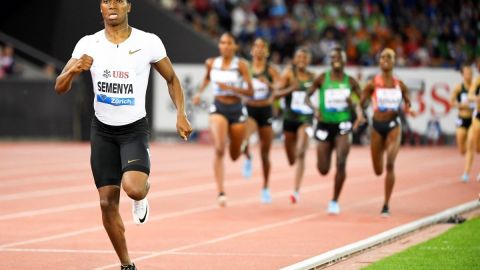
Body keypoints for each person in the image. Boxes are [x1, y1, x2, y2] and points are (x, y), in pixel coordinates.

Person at [54, 1, 192, 269]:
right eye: (106, 1)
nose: (112, 5)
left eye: (118, 0)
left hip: (133, 130)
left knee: (134, 189)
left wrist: (181, 114)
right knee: (106, 203)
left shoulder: (148, 42)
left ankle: (142, 196)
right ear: (100, 8)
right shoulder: (87, 44)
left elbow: (172, 78)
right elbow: (60, 86)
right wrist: (73, 69)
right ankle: (127, 264)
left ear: (129, 6)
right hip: (102, 131)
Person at [193, 32, 253, 207]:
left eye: (229, 43)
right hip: (219, 107)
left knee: (234, 156)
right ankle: (221, 191)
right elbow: (206, 79)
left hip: (236, 108)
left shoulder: (241, 65)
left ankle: (243, 146)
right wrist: (198, 93)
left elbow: (251, 92)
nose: (225, 46)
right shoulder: (212, 63)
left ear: (235, 46)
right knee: (219, 148)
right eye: (222, 42)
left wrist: (232, 89)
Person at [305, 47, 363, 214]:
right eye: (333, 57)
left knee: (341, 162)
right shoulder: (322, 78)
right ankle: (328, 150)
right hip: (324, 125)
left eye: (339, 57)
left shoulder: (350, 81)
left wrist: (353, 105)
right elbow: (307, 96)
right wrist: (314, 108)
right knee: (323, 169)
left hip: (343, 125)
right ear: (330, 61)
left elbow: (362, 101)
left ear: (345, 61)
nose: (336, 59)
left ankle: (334, 200)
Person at [358, 48, 414, 217]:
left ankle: (386, 204)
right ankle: (380, 157)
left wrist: (409, 109)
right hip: (376, 126)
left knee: (390, 163)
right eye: (382, 57)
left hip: (393, 126)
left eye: (388, 57)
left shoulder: (400, 84)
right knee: (378, 170)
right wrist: (360, 114)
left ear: (394, 61)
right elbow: (361, 102)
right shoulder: (372, 83)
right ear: (379, 61)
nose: (385, 59)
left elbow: (408, 102)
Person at [241, 38, 280, 204]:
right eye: (256, 46)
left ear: (267, 52)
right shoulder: (246, 68)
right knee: (243, 141)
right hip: (250, 109)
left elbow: (278, 90)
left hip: (265, 110)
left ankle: (265, 188)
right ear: (252, 51)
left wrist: (269, 85)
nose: (259, 49)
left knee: (265, 154)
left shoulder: (271, 70)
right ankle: (248, 156)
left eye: (262, 47)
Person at [275, 47, 315, 204]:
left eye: (305, 58)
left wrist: (318, 110)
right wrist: (291, 88)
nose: (302, 60)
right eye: (299, 57)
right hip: (289, 118)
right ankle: (295, 158)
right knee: (292, 158)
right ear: (295, 59)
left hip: (306, 118)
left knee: (300, 152)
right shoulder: (288, 74)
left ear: (309, 60)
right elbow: (276, 94)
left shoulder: (313, 77)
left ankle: (296, 191)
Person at [450, 64, 475, 182]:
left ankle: (466, 173)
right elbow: (451, 102)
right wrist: (460, 105)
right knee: (462, 149)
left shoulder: (475, 87)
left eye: (470, 73)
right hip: (461, 119)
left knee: (470, 144)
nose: (468, 75)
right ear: (462, 74)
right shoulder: (459, 88)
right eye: (466, 73)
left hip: (473, 120)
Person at [468, 59, 480, 182]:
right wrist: (476, 98)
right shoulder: (477, 81)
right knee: (477, 148)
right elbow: (470, 95)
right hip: (478, 117)